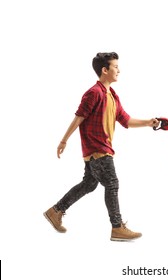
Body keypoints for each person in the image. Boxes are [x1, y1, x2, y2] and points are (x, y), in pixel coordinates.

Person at [44, 52, 159, 241]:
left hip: (99, 149)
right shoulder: (94, 93)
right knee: (112, 183)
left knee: (89, 184)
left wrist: (148, 122)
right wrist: (64, 140)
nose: (118, 70)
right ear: (104, 70)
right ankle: (117, 227)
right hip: (98, 149)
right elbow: (79, 117)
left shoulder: (112, 95)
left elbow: (126, 120)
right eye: (115, 67)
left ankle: (55, 211)